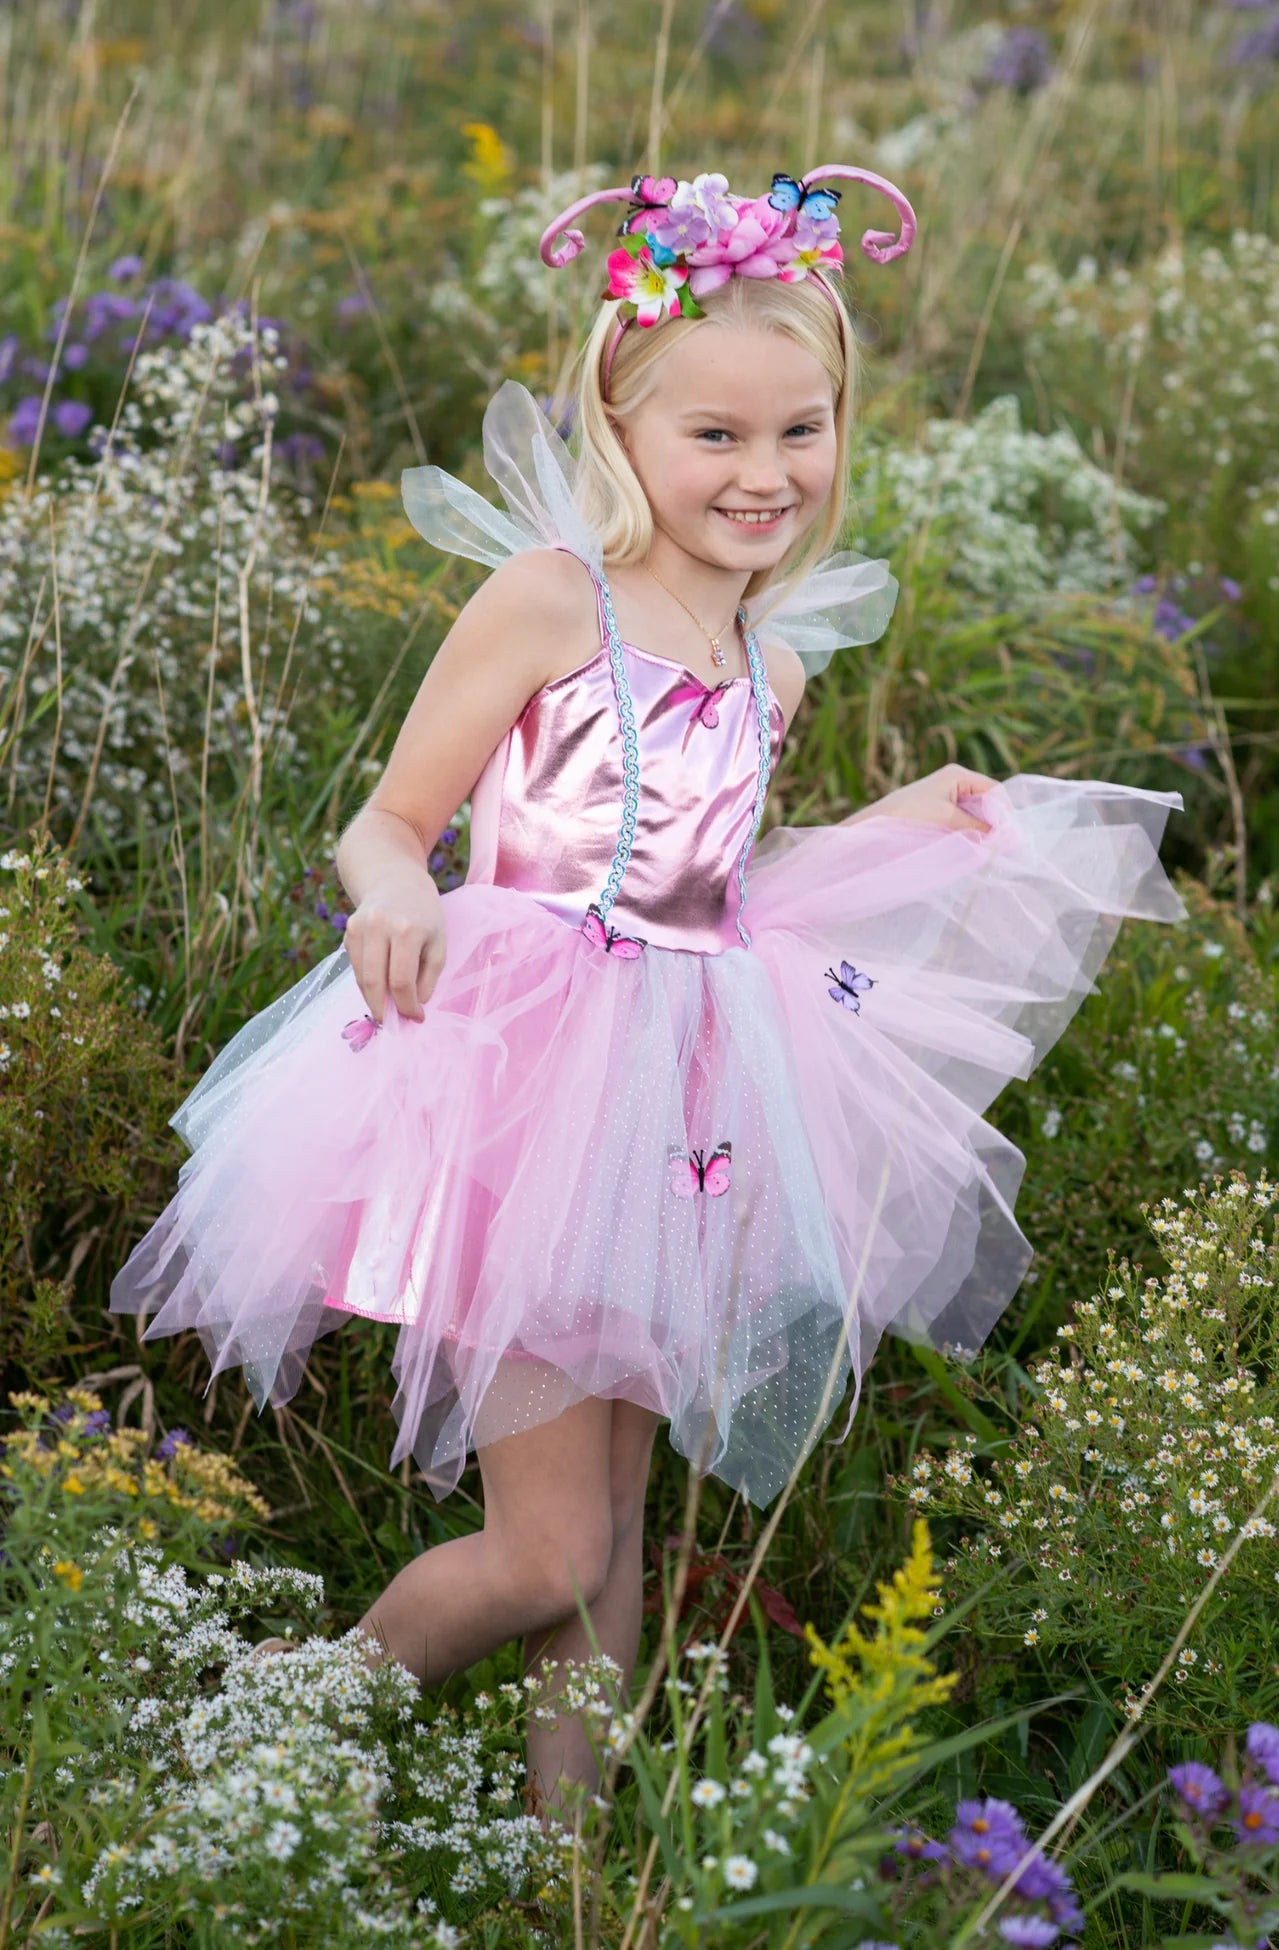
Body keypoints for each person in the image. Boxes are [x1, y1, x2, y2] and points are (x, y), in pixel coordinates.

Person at [110, 163, 1186, 1816]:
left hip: (684, 1089)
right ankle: (263, 1726)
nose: (765, 475)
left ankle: (571, 1861)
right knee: (541, 1544)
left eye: (799, 432)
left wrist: (905, 824)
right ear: (624, 428)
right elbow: (391, 820)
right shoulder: (558, 598)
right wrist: (396, 890)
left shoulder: (777, 647)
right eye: (718, 436)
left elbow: (721, 875)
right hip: (526, 1072)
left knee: (606, 1533)